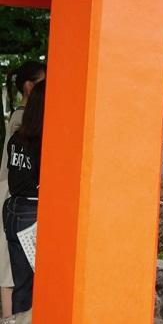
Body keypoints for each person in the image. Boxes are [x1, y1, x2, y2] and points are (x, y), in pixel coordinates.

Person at [0, 61, 45, 319]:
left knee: (21, 284)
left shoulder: (18, 136)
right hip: (33, 212)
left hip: (14, 209)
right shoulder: (44, 141)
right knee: (39, 284)